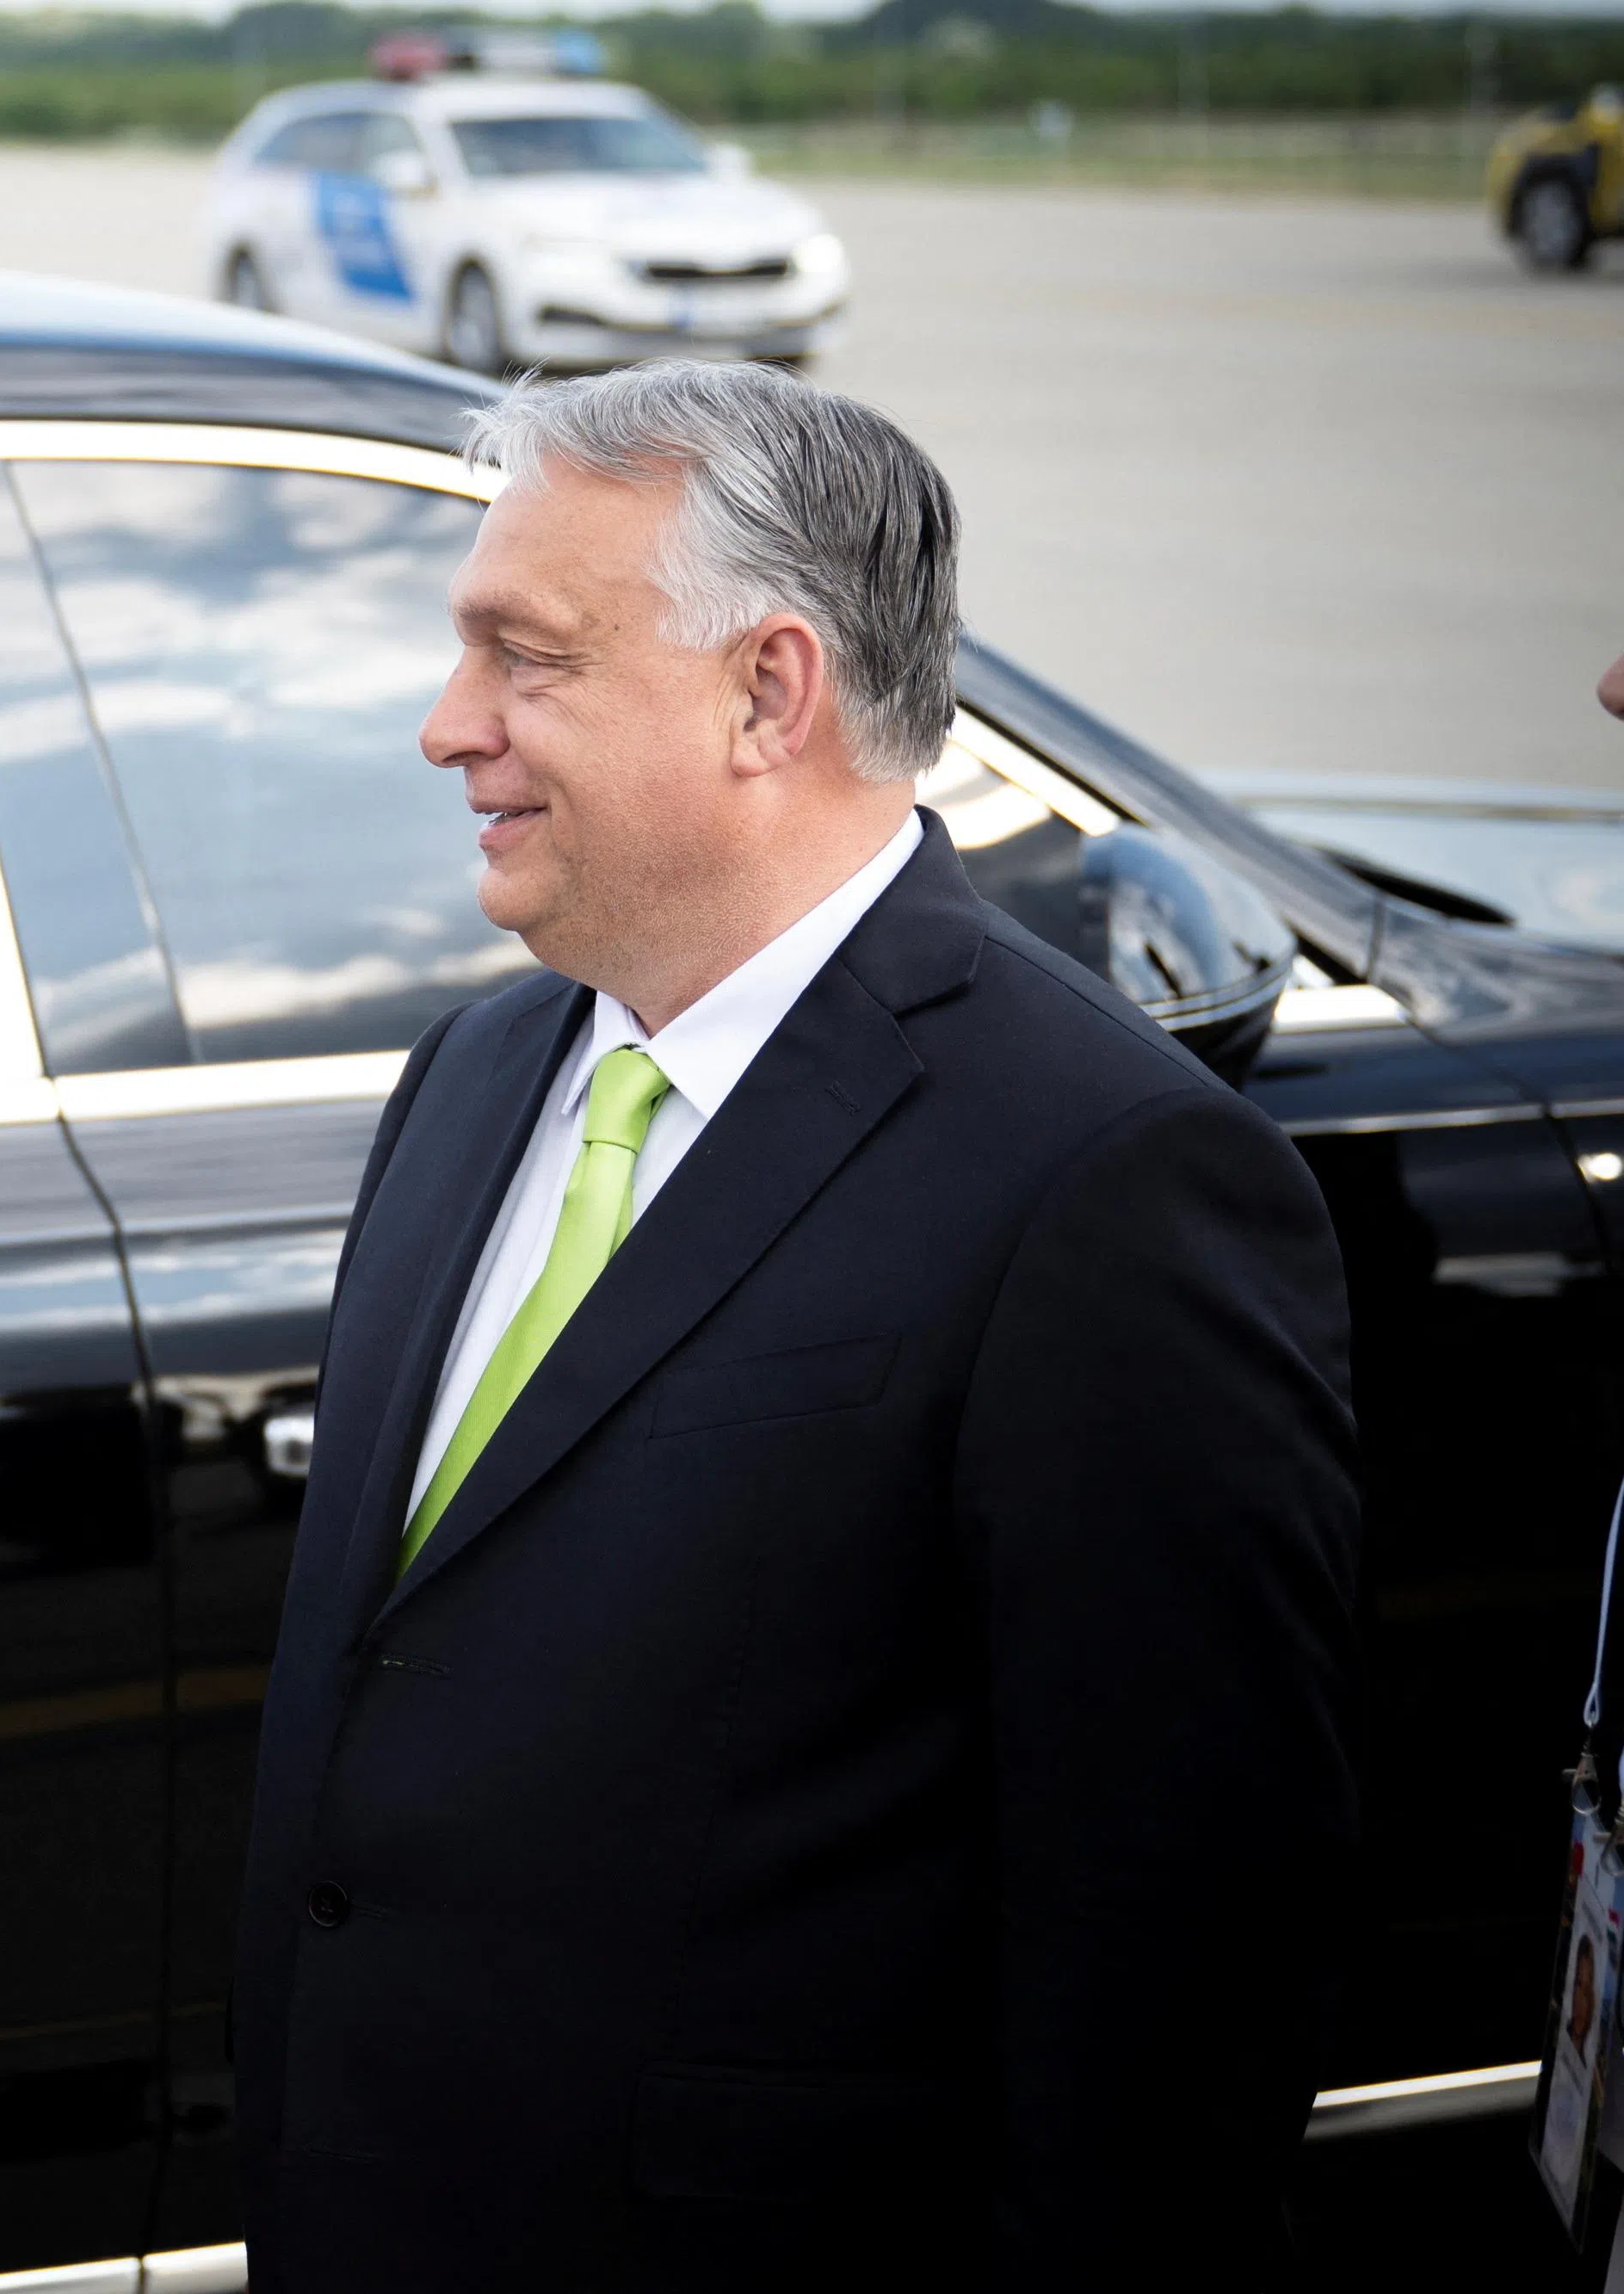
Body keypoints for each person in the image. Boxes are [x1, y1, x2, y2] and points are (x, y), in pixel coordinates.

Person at [234, 362, 1356, 2289]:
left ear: (767, 692)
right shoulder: (473, 1079)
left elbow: (1168, 2003)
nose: (446, 728)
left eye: (527, 659)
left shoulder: (1099, 1181)